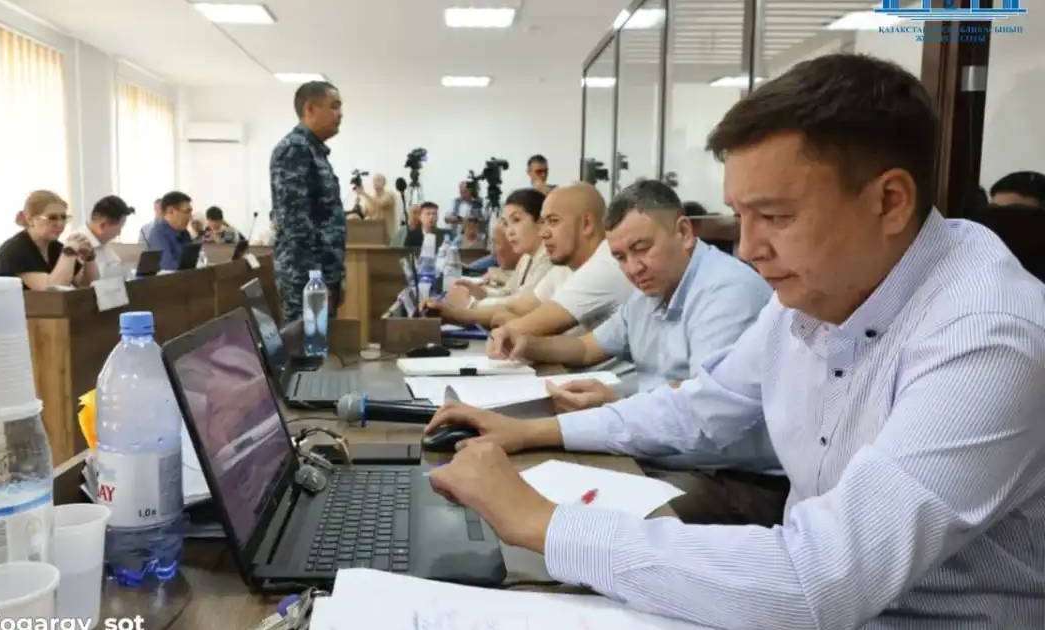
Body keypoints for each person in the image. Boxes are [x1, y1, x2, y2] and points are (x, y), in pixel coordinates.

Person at [424, 54, 1045, 628]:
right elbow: (704, 405)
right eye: (741, 215)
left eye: (775, 217)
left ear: (889, 201)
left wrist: (540, 520)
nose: (748, 249)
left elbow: (823, 578)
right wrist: (528, 432)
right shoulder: (815, 288)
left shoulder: (988, 336)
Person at [490, 179, 771, 411]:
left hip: (722, 471)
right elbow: (587, 348)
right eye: (620, 257)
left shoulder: (724, 292)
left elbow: (704, 411)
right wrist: (526, 344)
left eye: (642, 248)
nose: (633, 268)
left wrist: (619, 402)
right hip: (662, 439)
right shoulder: (649, 289)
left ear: (684, 232)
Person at [490, 183, 635, 335]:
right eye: (543, 222)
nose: (543, 233)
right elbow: (521, 309)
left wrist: (510, 324)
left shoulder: (605, 265)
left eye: (553, 221)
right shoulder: (567, 265)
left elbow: (529, 328)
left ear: (586, 224)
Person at [270, 80, 347, 322]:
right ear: (310, 109)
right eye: (334, 106)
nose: (340, 114)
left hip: (321, 275)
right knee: (305, 353)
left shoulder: (314, 151)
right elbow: (295, 224)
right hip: (305, 278)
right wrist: (316, 280)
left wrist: (335, 275)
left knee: (318, 351)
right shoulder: (295, 149)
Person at [439, 189, 552, 316]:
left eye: (516, 220)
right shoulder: (527, 258)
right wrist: (481, 292)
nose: (509, 231)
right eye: (506, 224)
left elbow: (521, 305)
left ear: (540, 222)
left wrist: (471, 304)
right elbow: (509, 292)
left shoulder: (549, 260)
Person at [0, 190, 95, 290]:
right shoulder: (15, 250)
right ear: (30, 220)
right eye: (52, 218)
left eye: (63, 217)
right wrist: (69, 252)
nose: (60, 224)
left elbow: (87, 285)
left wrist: (89, 257)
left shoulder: (56, 247)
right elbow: (53, 289)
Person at [63, 194, 135, 279]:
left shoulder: (102, 244)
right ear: (103, 226)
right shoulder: (74, 244)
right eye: (119, 228)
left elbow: (117, 270)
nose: (119, 233)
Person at [147, 191, 194, 270]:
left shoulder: (185, 233)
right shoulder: (158, 233)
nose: (190, 217)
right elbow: (168, 267)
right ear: (170, 211)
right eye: (187, 212)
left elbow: (191, 263)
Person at [357, 173, 399, 237]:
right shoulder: (370, 197)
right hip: (373, 234)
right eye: (374, 181)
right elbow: (364, 214)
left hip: (387, 235)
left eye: (378, 180)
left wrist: (364, 194)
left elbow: (381, 203)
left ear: (384, 183)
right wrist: (357, 205)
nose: (375, 182)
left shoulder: (390, 195)